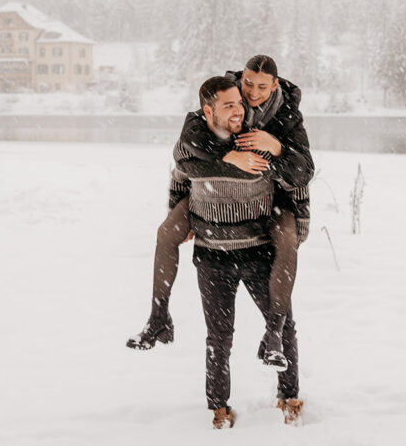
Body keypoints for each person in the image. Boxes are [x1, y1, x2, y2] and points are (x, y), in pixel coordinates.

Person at [127, 56, 312, 372]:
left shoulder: (286, 117)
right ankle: (159, 318)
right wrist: (228, 158)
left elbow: (302, 172)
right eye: (247, 84)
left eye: (261, 87)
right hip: (210, 196)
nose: (252, 93)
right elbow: (187, 152)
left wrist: (276, 147)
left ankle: (275, 334)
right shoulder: (223, 98)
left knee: (287, 241)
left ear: (276, 85)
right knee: (166, 233)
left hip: (273, 196)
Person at [176, 75, 313, 427]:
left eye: (240, 103)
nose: (240, 109)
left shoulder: (258, 138)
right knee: (219, 336)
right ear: (208, 110)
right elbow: (178, 177)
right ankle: (219, 406)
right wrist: (178, 214)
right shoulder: (193, 144)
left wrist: (299, 226)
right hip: (211, 253)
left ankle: (289, 395)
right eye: (230, 105)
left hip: (259, 252)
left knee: (283, 327)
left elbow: (294, 181)